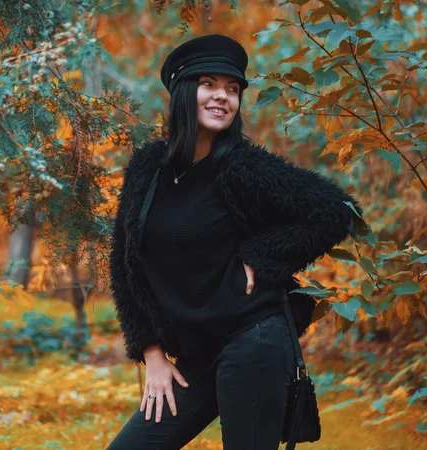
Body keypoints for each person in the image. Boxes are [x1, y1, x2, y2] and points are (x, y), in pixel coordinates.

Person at [107, 34, 363, 450]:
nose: (222, 96)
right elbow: (124, 260)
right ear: (182, 92)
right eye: (208, 84)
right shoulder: (147, 167)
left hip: (253, 339)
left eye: (232, 88)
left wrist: (260, 255)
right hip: (195, 354)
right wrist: (150, 351)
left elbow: (337, 210)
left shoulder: (244, 167)